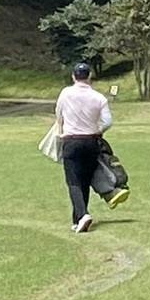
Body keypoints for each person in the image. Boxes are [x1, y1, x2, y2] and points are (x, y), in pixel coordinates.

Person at [49, 60, 120, 231]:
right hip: (91, 141)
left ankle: (82, 215)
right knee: (85, 180)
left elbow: (59, 114)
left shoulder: (66, 93)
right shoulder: (99, 97)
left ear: (74, 76)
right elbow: (107, 122)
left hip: (71, 141)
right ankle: (78, 221)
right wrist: (98, 130)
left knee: (74, 181)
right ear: (89, 76)